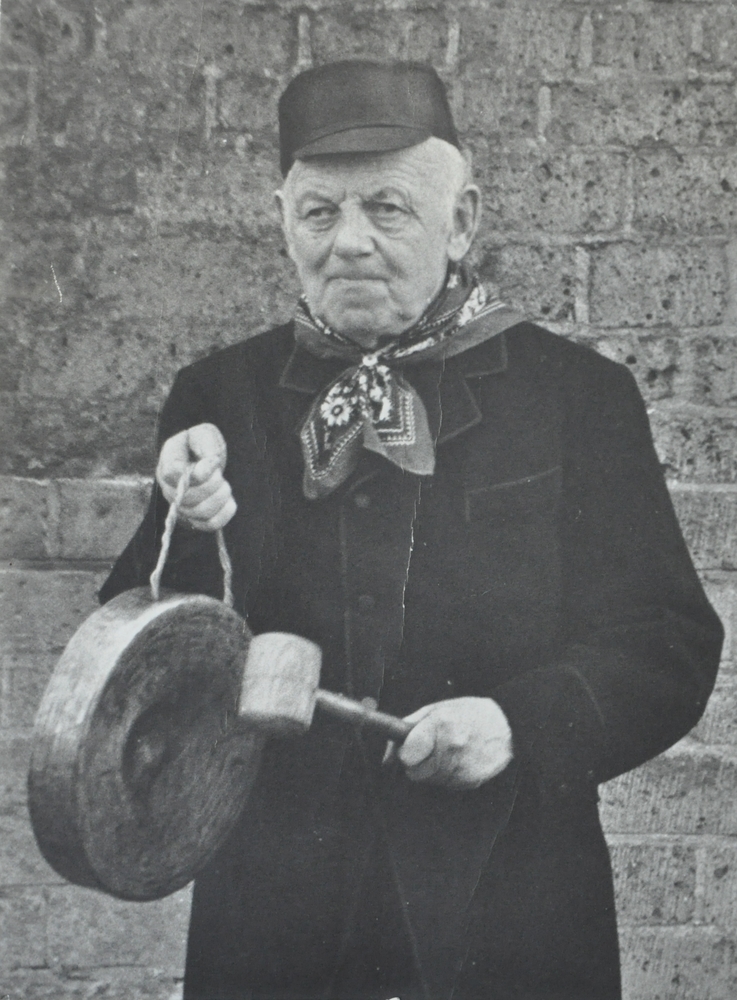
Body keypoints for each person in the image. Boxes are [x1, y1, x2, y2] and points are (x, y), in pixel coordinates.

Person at [100, 61, 724, 1000]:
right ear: (281, 221)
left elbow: (664, 642)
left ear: (460, 220)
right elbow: (139, 651)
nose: (348, 242)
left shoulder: (576, 397)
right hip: (274, 913)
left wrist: (516, 727)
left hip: (508, 905)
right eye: (319, 213)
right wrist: (187, 525)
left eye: (386, 209)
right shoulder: (219, 396)